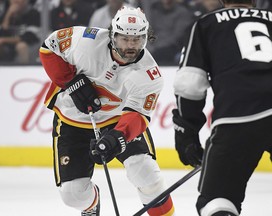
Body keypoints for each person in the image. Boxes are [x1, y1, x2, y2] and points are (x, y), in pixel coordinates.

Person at [39, 6, 175, 216]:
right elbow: (49, 46)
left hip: (117, 120)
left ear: (146, 38)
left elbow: (138, 115)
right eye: (124, 39)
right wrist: (70, 80)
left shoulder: (150, 74)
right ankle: (92, 205)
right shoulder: (86, 42)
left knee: (148, 176)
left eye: (137, 39)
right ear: (112, 35)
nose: (130, 46)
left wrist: (117, 137)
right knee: (73, 195)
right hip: (72, 121)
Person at [172, 0, 272, 215]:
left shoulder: (206, 24)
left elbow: (190, 84)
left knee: (218, 202)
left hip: (238, 116)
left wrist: (186, 134)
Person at [146, 0, 195, 65]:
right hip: (154, 47)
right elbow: (149, 30)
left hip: (173, 47)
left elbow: (178, 35)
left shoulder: (183, 12)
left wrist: (157, 46)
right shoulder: (154, 11)